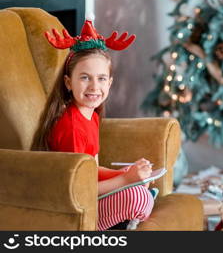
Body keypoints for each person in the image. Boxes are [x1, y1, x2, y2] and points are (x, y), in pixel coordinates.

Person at [31, 16, 155, 231]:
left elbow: (93, 170)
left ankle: (134, 199)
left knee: (132, 174)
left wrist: (130, 174)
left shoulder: (92, 115)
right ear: (68, 82)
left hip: (88, 191)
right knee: (137, 196)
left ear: (110, 82)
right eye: (85, 78)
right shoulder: (71, 128)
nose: (94, 86)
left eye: (101, 78)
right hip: (74, 206)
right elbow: (80, 189)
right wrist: (127, 181)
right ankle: (126, 220)